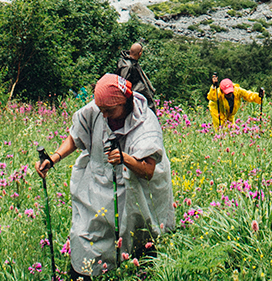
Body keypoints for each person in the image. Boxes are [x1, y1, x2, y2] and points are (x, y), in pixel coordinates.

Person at [36, 74, 175, 276]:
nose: (105, 116)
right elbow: (76, 136)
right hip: (97, 184)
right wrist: (54, 158)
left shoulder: (146, 123)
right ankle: (81, 275)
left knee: (134, 241)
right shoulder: (98, 109)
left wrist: (125, 158)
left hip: (134, 190)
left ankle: (131, 272)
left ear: (124, 103)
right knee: (84, 233)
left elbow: (148, 171)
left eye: (110, 111)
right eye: (102, 111)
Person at [117, 42, 158, 107]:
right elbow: (123, 85)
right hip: (135, 99)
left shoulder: (132, 62)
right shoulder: (128, 66)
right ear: (140, 53)